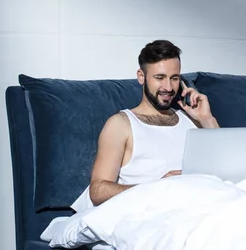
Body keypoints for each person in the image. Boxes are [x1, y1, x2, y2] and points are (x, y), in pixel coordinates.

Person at [70, 40, 219, 212]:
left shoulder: (192, 120)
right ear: (141, 77)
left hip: (200, 205)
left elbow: (227, 167)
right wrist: (157, 188)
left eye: (174, 78)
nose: (168, 87)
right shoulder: (121, 124)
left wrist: (206, 118)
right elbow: (97, 191)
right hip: (154, 210)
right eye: (160, 77)